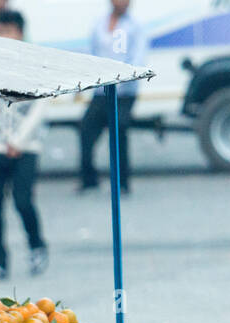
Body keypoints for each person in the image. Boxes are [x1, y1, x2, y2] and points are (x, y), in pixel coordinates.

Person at [0, 10, 48, 281]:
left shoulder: (35, 63)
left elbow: (41, 107)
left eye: (8, 30)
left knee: (23, 200)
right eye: (0, 30)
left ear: (20, 32)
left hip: (25, 148)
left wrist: (20, 141)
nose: (3, 36)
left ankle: (37, 244)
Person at [78, 0, 148, 195]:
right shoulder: (100, 23)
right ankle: (89, 179)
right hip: (101, 90)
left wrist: (121, 79)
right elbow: (93, 52)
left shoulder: (135, 26)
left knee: (119, 132)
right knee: (86, 129)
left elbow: (138, 58)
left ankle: (122, 183)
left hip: (124, 92)